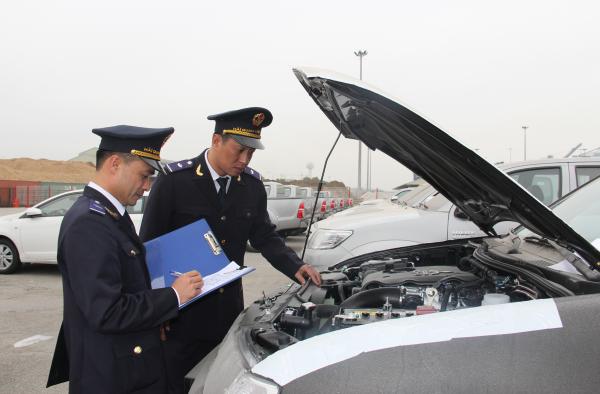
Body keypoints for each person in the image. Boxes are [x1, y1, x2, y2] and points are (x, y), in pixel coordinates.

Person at [140, 107, 322, 392]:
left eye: (250, 153)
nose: (244, 159)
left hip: (226, 315)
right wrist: (155, 309)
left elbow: (264, 236)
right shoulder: (175, 182)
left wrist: (295, 266)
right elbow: (149, 248)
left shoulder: (250, 186)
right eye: (238, 151)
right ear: (216, 141)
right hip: (181, 317)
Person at [47, 125, 205, 394]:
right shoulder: (89, 223)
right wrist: (173, 297)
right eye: (144, 176)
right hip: (111, 376)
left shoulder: (112, 214)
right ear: (115, 163)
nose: (146, 187)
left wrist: (157, 316)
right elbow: (106, 311)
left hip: (128, 366)